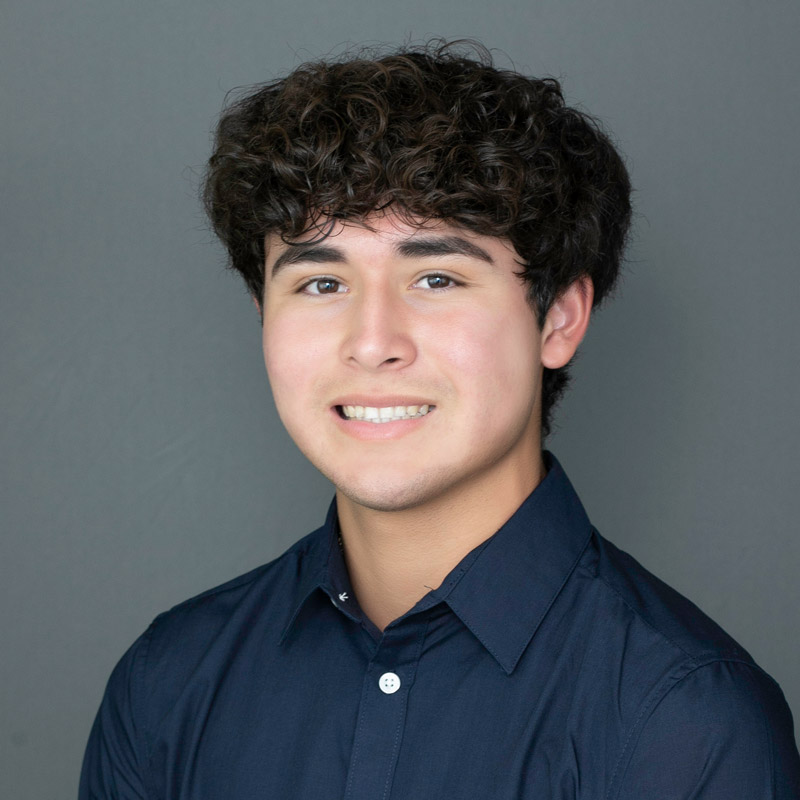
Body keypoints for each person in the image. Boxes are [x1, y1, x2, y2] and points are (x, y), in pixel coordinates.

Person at [79, 41, 800, 798]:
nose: (371, 343)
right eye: (321, 283)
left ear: (558, 317)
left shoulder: (687, 722)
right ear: (264, 313)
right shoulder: (167, 684)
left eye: (435, 278)